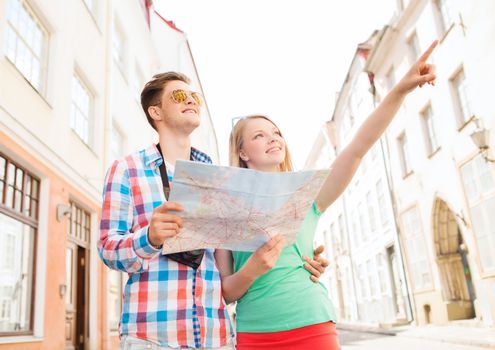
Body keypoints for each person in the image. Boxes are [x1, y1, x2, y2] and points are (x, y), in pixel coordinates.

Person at [215, 40, 438, 350]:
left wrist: (401, 89)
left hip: (312, 325)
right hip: (255, 334)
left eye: (277, 132)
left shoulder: (306, 194)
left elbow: (358, 148)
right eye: (259, 135)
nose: (273, 138)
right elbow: (225, 292)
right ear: (242, 152)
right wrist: (253, 268)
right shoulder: (226, 208)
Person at [98, 71, 327, 349]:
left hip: (215, 335)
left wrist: (302, 257)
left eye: (194, 97)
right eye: (180, 96)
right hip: (153, 335)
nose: (191, 101)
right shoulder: (126, 170)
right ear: (155, 111)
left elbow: (241, 246)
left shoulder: (219, 176)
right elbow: (108, 249)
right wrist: (150, 238)